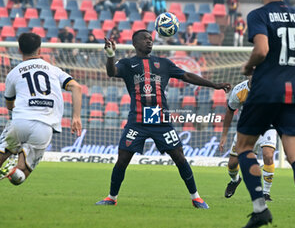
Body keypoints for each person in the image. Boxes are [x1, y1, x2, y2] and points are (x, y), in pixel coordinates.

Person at [95, 29, 231, 208]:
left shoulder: (163, 63)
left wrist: (215, 85)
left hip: (160, 120)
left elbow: (187, 76)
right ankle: (111, 197)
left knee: (179, 157)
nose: (149, 41)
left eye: (151, 39)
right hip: (137, 120)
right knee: (122, 159)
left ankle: (196, 197)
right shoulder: (128, 63)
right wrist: (111, 55)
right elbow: (112, 72)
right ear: (135, 44)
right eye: (145, 39)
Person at [236, 0, 295, 227]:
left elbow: (261, 50)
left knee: (243, 146)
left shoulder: (259, 14)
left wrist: (249, 65)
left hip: (266, 92)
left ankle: (260, 209)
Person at [0, 33, 82, 185]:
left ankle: (10, 158)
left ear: (19, 50)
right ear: (39, 50)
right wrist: (76, 117)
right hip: (44, 126)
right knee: (20, 176)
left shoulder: (13, 73)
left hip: (20, 121)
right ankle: (16, 170)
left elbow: (9, 105)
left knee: (3, 151)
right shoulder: (53, 70)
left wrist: (16, 107)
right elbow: (76, 87)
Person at [219, 77, 277, 201]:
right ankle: (235, 180)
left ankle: (266, 193)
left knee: (268, 155)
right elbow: (230, 111)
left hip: (267, 126)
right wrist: (224, 135)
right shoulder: (239, 90)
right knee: (232, 164)